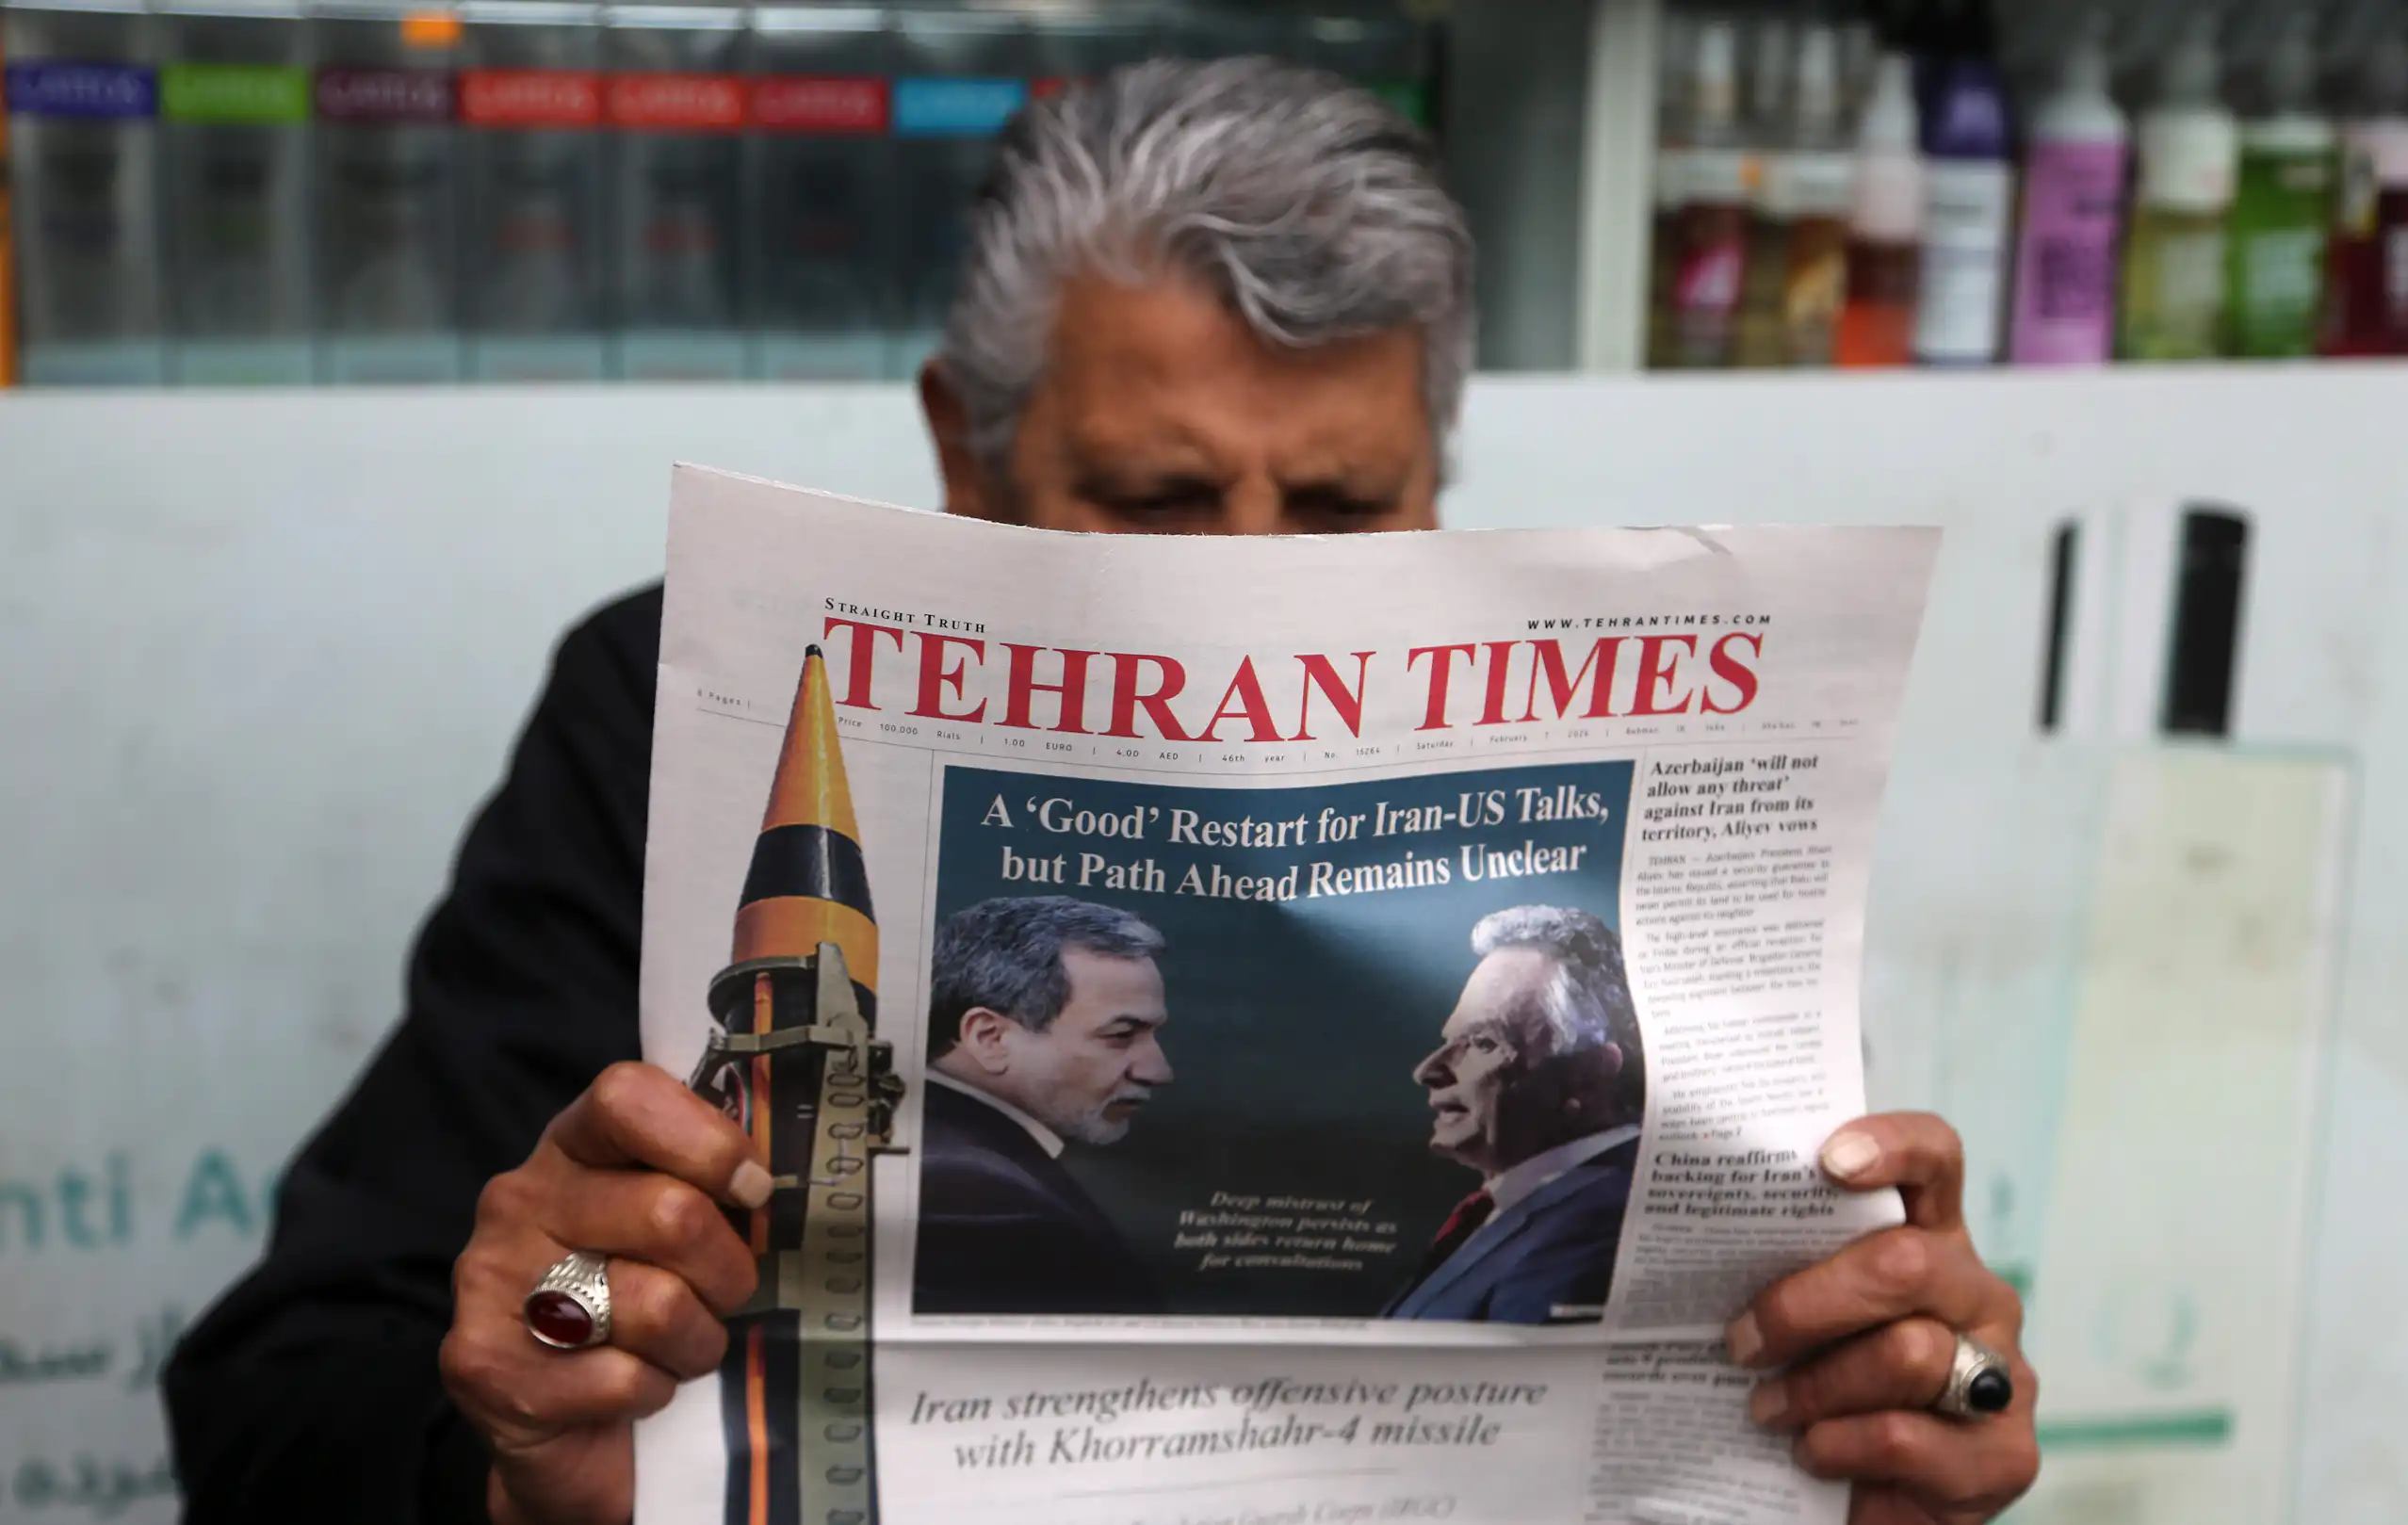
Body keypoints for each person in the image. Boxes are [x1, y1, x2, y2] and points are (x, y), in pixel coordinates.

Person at [165, 57, 2040, 1525]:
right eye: (1150, 499)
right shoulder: (692, 715)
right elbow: (279, 1396)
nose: (1245, 583)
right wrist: (513, 1450)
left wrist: (1870, 1421)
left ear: (1436, 480)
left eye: (1335, 508)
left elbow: (1775, 1374)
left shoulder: (1584, 825)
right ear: (957, 453)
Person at [915, 897, 1173, 1316]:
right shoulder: (978, 1192)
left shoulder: (967, 1162)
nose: (1158, 1072)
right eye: (1123, 1035)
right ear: (989, 1038)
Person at [1386, 906, 1642, 1324]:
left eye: (1483, 1043)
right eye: (1449, 1040)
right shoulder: (1520, 1203)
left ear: (1589, 1077)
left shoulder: (1600, 1220)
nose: (1427, 1070)